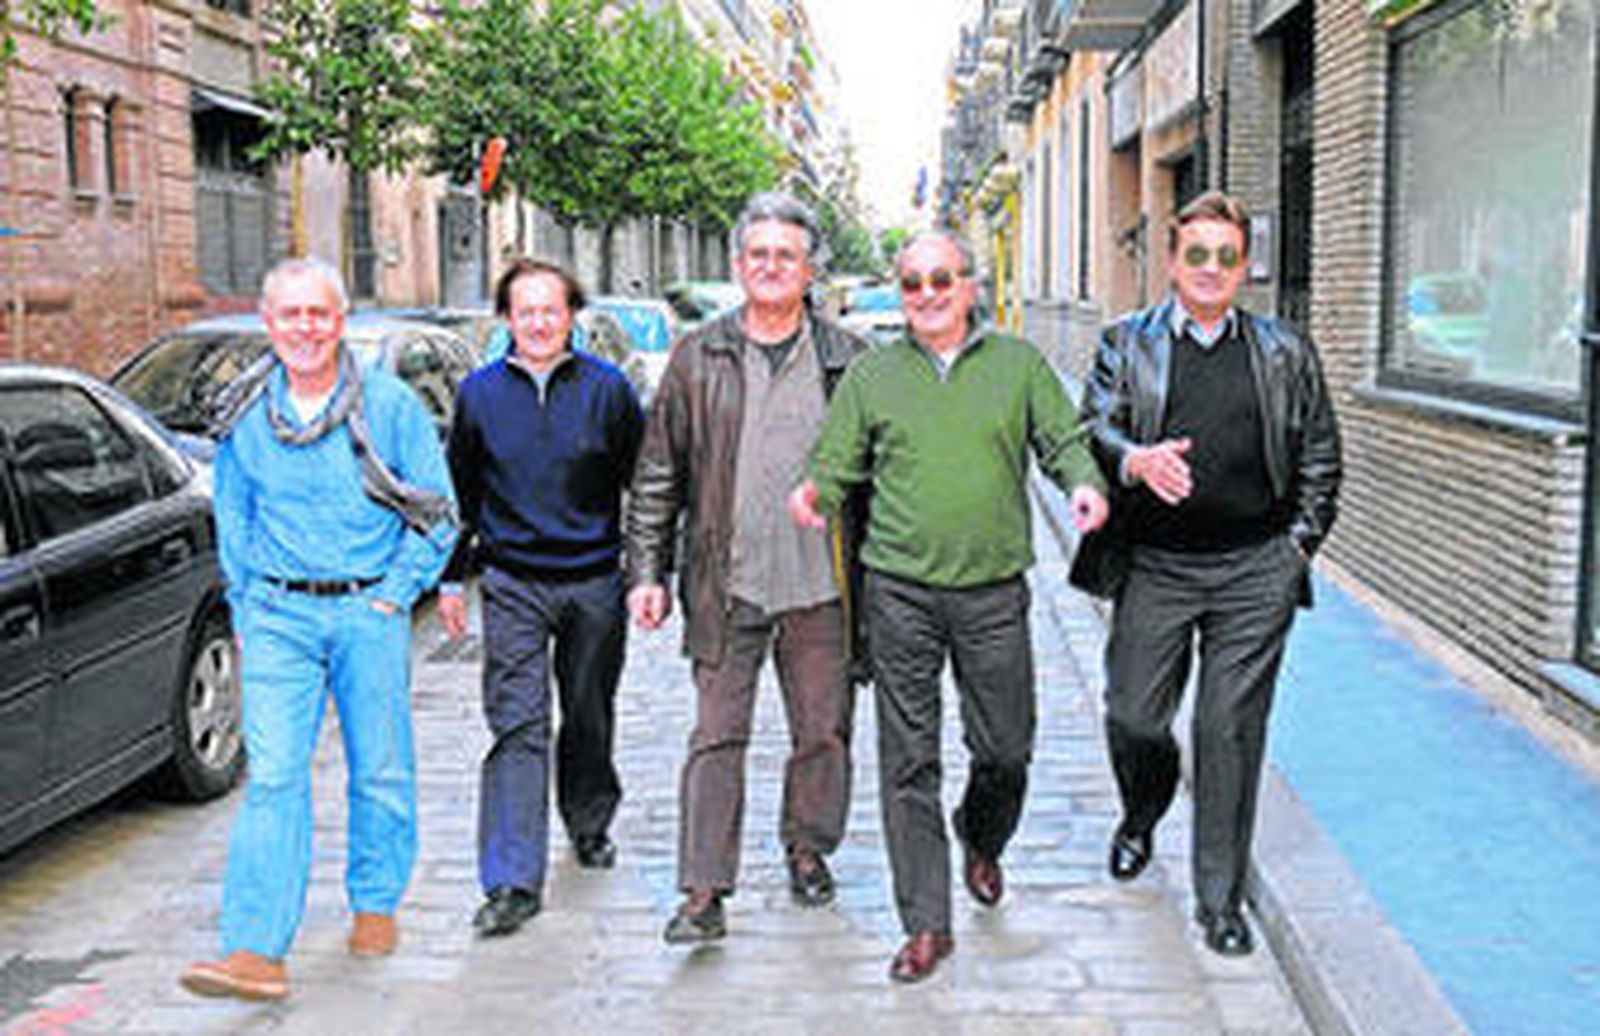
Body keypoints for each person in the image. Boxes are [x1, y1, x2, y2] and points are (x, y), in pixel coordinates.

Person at [790, 230, 1110, 984]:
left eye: (941, 279)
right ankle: (926, 924)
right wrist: (816, 492)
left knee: (1005, 748)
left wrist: (1083, 485)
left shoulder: (1018, 365)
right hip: (898, 592)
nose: (926, 294)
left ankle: (981, 833)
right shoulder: (874, 375)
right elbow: (836, 460)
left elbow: (1062, 440)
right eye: (911, 283)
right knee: (908, 761)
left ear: (971, 285)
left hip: (994, 591)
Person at [1071, 190, 1341, 957]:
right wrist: (1133, 459)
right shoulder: (1128, 344)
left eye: (1228, 256)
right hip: (1156, 566)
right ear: (1172, 261)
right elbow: (1094, 425)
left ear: (1246, 265)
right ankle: (1141, 811)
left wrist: (1295, 550)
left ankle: (1218, 901)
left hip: (1256, 570)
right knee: (1133, 715)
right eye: (1198, 255)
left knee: (1226, 730)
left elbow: (1321, 458)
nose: (1213, 269)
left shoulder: (1286, 352)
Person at [180, 257, 457, 1001]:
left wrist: (395, 596)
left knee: (381, 766)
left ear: (341, 322)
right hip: (278, 617)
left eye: (319, 314)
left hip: (368, 611)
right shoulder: (245, 414)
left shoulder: (391, 405)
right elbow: (232, 516)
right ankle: (254, 949)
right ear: (270, 324)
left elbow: (438, 512)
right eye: (290, 315)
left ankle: (375, 901)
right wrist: (246, 606)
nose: (305, 328)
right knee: (272, 777)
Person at [625, 191, 869, 945]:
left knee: (822, 733)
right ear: (739, 266)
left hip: (822, 589)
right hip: (724, 585)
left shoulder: (848, 360)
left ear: (809, 269)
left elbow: (879, 476)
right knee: (714, 736)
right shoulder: (700, 356)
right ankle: (703, 892)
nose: (770, 267)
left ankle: (807, 849)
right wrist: (646, 571)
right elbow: (658, 472)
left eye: (785, 255)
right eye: (758, 254)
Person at [440, 259, 645, 938]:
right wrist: (450, 577)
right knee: (518, 724)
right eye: (524, 311)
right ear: (506, 319)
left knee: (587, 713)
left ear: (571, 316)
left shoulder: (609, 392)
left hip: (592, 580)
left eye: (550, 310)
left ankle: (588, 821)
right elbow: (460, 495)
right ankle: (511, 879)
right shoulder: (477, 395)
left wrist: (646, 572)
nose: (537, 322)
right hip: (512, 583)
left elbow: (642, 487)